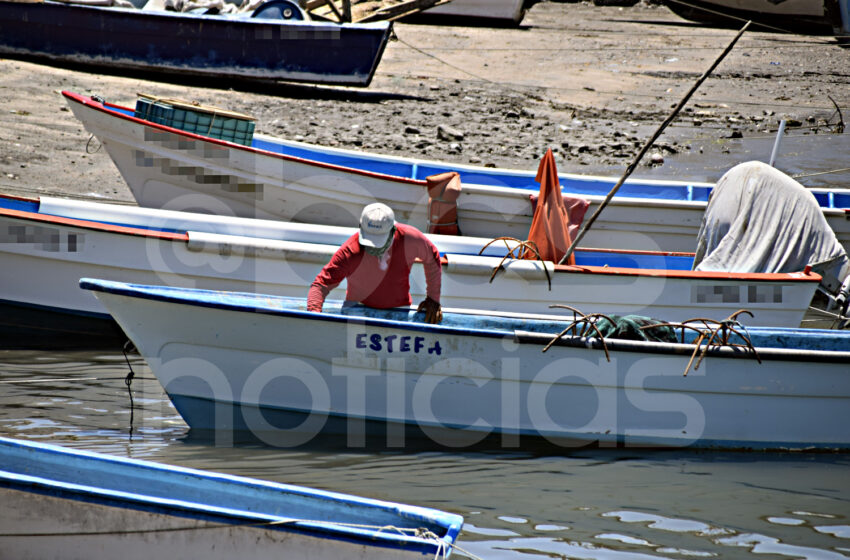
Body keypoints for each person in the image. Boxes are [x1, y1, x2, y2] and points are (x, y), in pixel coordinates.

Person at [307, 203, 443, 324]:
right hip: (357, 308)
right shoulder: (350, 252)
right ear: (360, 227)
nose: (374, 248)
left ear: (393, 230)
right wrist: (314, 318)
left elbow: (432, 257)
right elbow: (321, 285)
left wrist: (433, 298)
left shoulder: (410, 239)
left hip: (398, 310)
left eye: (379, 240)